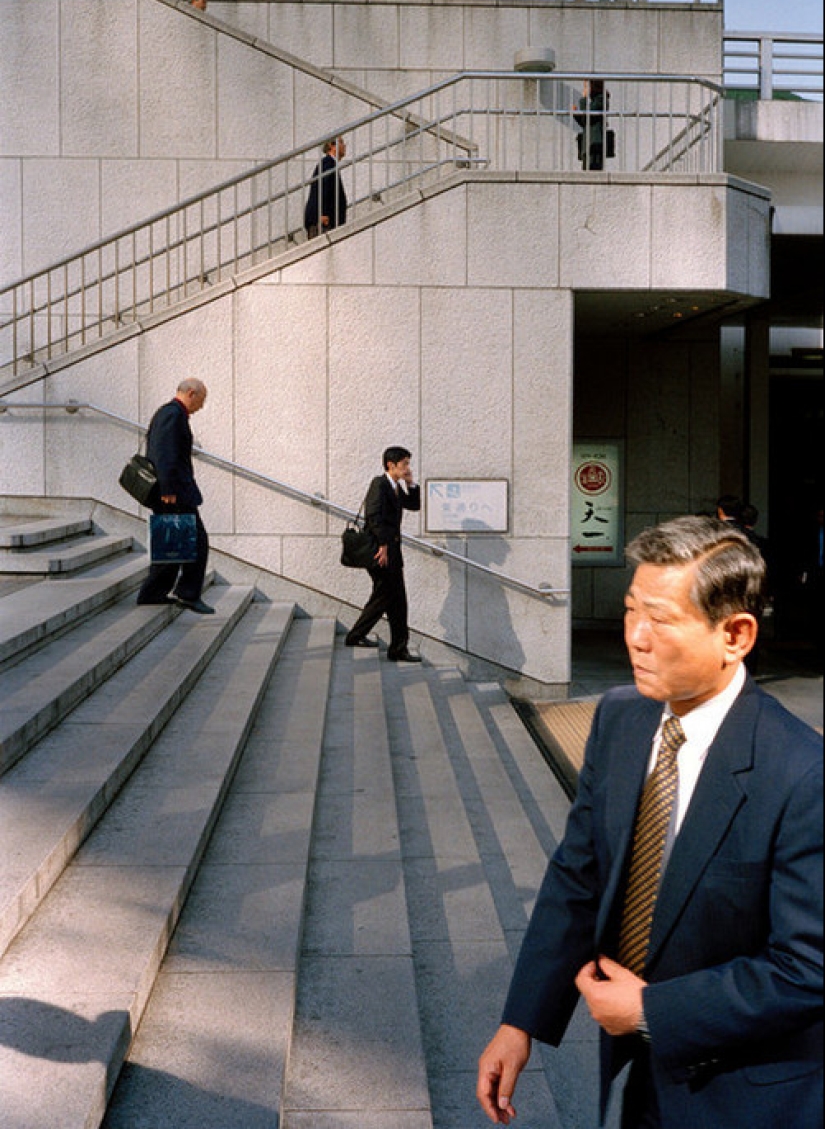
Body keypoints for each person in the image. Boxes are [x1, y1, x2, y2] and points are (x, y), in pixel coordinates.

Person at [477, 514, 822, 1129]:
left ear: (735, 635)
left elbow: (807, 968)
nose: (635, 636)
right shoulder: (621, 719)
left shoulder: (801, 773)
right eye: (632, 610)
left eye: (661, 620)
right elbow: (578, 876)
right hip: (636, 1081)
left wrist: (651, 1011)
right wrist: (521, 1019)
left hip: (747, 1094)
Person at [136, 378, 215, 615]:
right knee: (197, 541)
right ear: (191, 393)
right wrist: (168, 489)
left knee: (171, 542)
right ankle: (187, 593)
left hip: (173, 491)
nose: (201, 406)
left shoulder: (170, 413)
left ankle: (153, 593)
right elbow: (164, 454)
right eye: (201, 400)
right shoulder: (173, 415)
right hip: (174, 493)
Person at [345, 446, 421, 662]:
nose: (407, 467)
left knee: (389, 597)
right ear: (391, 465)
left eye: (408, 463)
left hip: (391, 551)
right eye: (404, 464)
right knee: (391, 598)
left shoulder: (395, 486)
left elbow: (414, 505)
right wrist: (384, 545)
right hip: (381, 552)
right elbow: (373, 516)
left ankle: (363, 637)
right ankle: (393, 646)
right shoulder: (379, 484)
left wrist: (410, 483)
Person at [304, 136, 348, 238]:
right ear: (331, 146)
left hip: (325, 221)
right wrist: (321, 213)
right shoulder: (328, 163)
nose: (344, 146)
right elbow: (323, 188)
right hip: (324, 222)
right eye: (341, 142)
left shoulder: (328, 163)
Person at [573, 78, 611, 170]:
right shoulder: (594, 101)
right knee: (587, 170)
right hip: (588, 143)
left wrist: (584, 99)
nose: (585, 90)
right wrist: (575, 114)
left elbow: (588, 115)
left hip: (595, 143)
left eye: (586, 87)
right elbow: (585, 122)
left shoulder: (601, 99)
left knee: (594, 169)